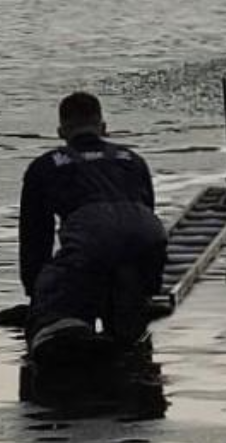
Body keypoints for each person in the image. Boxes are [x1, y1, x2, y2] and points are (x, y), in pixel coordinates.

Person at [19, 92, 167, 367]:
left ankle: (67, 336)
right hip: (148, 234)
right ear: (103, 127)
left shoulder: (46, 165)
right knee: (126, 291)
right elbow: (145, 211)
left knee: (57, 300)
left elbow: (35, 237)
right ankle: (129, 328)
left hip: (92, 234)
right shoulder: (132, 159)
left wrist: (36, 295)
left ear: (61, 132)